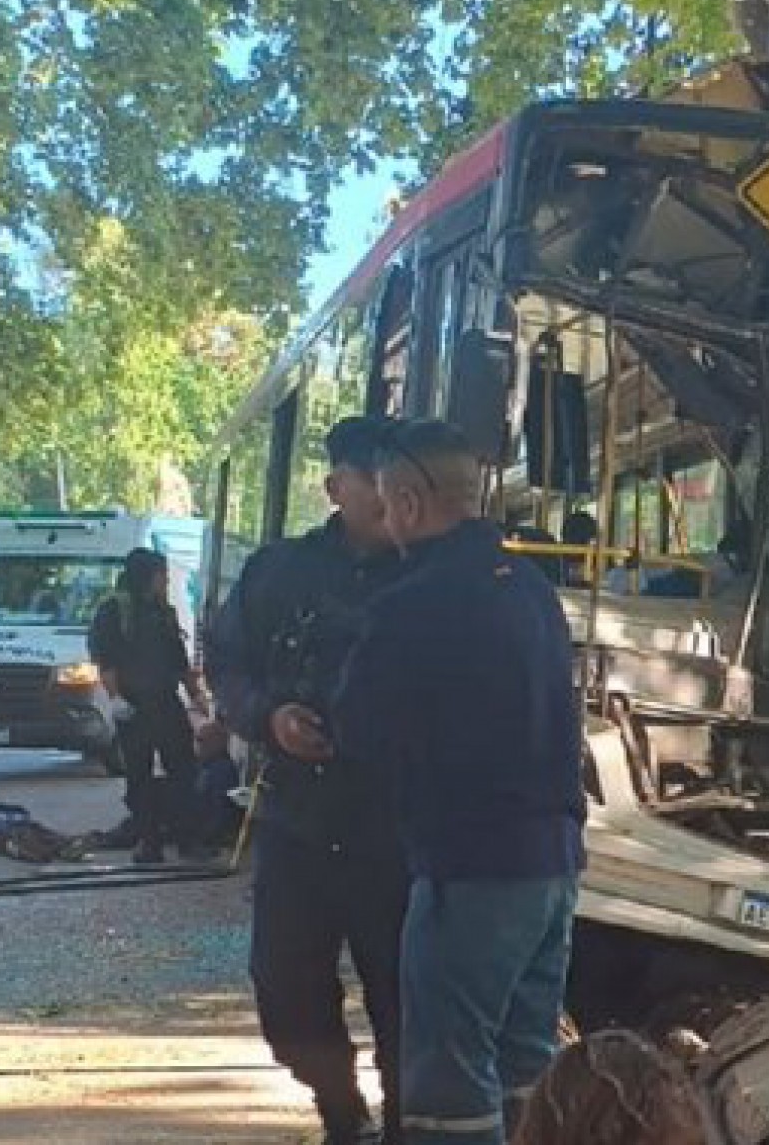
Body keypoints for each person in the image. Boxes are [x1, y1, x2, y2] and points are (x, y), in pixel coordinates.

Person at [333, 420, 585, 1145]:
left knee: (449, 1082)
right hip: (552, 868)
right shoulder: (531, 586)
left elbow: (361, 732)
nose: (384, 521)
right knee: (525, 1067)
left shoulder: (414, 604)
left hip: (470, 871)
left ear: (409, 502)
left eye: (384, 503)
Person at [205, 416, 411, 1145]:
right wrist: (271, 717)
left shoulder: (433, 577)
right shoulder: (279, 573)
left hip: (400, 828)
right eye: (374, 482)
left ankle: (404, 1122)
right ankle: (337, 1105)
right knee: (286, 988)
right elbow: (225, 665)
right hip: (298, 818)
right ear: (337, 487)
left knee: (406, 994)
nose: (390, 499)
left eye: (401, 482)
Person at [89, 548, 211, 865]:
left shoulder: (162, 612)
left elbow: (178, 660)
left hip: (165, 702)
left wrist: (195, 694)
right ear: (147, 576)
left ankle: (188, 838)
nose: (166, 580)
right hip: (134, 705)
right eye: (162, 574)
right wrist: (115, 698)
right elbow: (106, 659)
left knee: (184, 770)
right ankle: (148, 841)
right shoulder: (115, 611)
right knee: (139, 776)